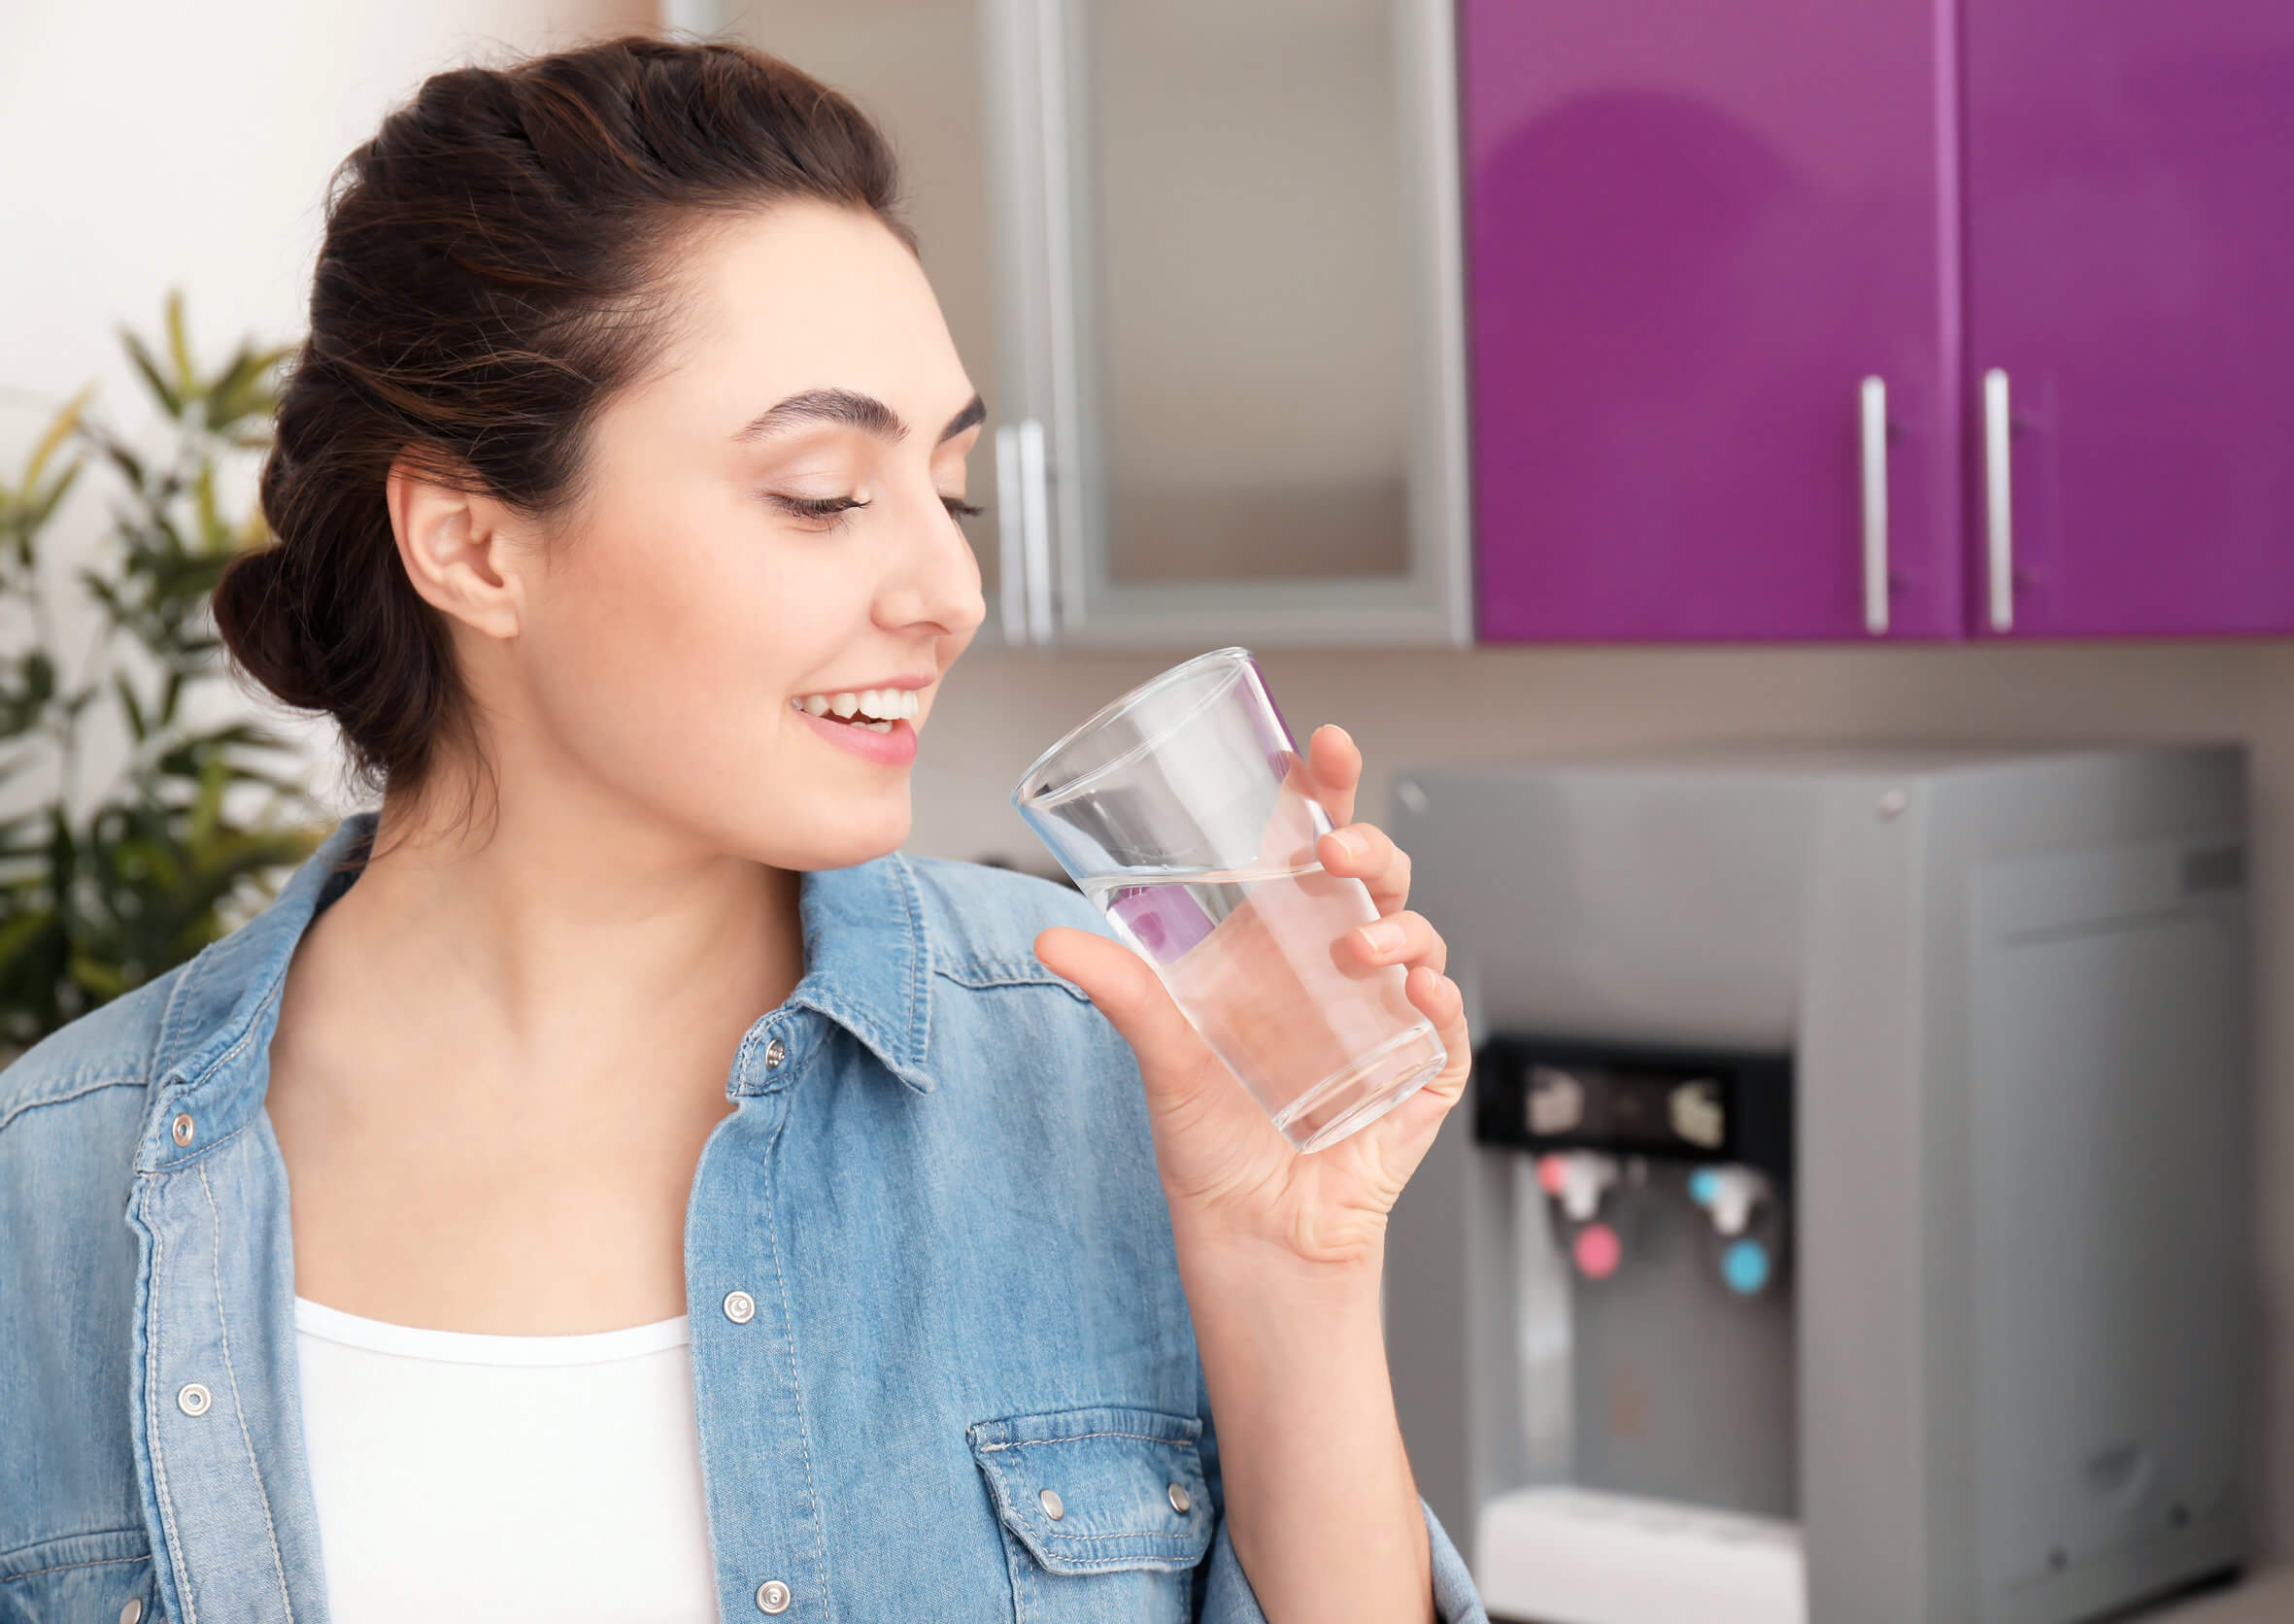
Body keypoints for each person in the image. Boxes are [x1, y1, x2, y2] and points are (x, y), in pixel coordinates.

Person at [0, 36, 1484, 1624]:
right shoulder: (57, 1189)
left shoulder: (1117, 1060)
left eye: (950, 491)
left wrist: (1292, 1273)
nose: (952, 591)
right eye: (823, 493)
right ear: (473, 546)